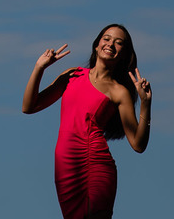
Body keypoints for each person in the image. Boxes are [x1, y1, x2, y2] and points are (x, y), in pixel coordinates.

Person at [21, 24, 152, 219]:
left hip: (96, 165)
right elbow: (29, 107)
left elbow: (138, 144)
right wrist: (39, 68)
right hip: (65, 166)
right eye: (106, 39)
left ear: (124, 54)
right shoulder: (72, 75)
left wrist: (145, 104)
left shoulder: (119, 91)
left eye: (119, 43)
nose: (111, 44)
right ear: (97, 45)